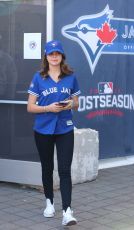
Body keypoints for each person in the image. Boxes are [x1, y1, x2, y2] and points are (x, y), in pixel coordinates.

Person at [27, 40, 81, 226]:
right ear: (46, 56)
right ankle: (49, 202)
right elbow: (30, 106)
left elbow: (77, 103)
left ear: (62, 56)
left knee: (65, 170)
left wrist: (69, 104)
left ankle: (67, 211)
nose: (54, 56)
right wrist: (48, 108)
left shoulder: (70, 77)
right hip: (43, 129)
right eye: (51, 53)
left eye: (57, 53)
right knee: (47, 167)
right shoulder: (38, 77)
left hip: (65, 127)